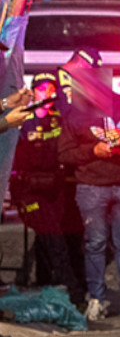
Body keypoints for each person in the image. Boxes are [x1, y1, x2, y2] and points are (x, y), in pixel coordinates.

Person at [58, 59, 120, 321]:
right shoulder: (74, 114)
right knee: (95, 244)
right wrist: (93, 150)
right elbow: (64, 154)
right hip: (91, 188)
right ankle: (97, 299)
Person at [11, 74, 86, 303]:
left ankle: (46, 287)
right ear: (34, 92)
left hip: (56, 189)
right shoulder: (22, 121)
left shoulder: (59, 120)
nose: (48, 93)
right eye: (42, 88)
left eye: (51, 88)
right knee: (53, 239)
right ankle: (73, 295)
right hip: (31, 192)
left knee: (51, 239)